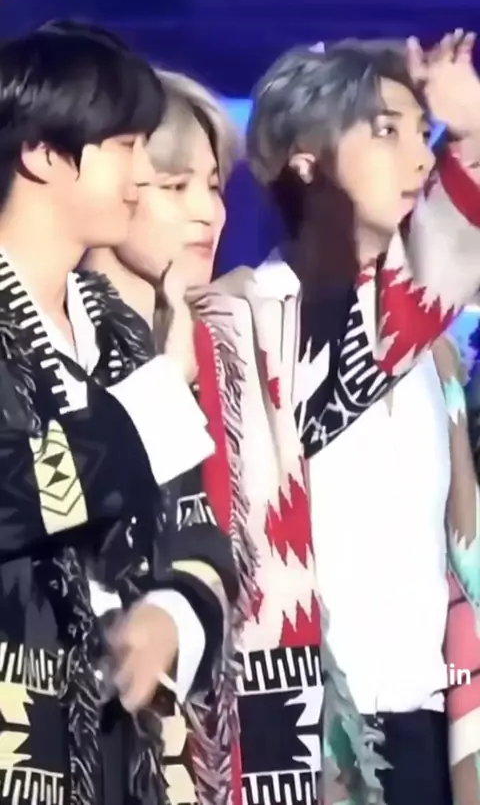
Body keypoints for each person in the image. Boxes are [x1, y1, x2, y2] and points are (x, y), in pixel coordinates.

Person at [184, 32, 480, 805]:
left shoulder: (435, 353)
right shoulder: (240, 325)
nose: (418, 159)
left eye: (422, 134)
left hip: (429, 729)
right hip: (303, 732)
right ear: (306, 161)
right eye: (386, 132)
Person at [0, 22, 238, 805]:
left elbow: (202, 538)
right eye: (125, 145)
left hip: (115, 758)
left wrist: (171, 615)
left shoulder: (120, 330)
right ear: (42, 153)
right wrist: (150, 411)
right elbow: (10, 494)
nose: (140, 173)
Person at [86, 67, 246, 805]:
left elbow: (206, 546)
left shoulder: (214, 348)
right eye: (177, 186)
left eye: (213, 186)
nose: (207, 212)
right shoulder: (43, 345)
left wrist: (173, 617)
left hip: (188, 754)